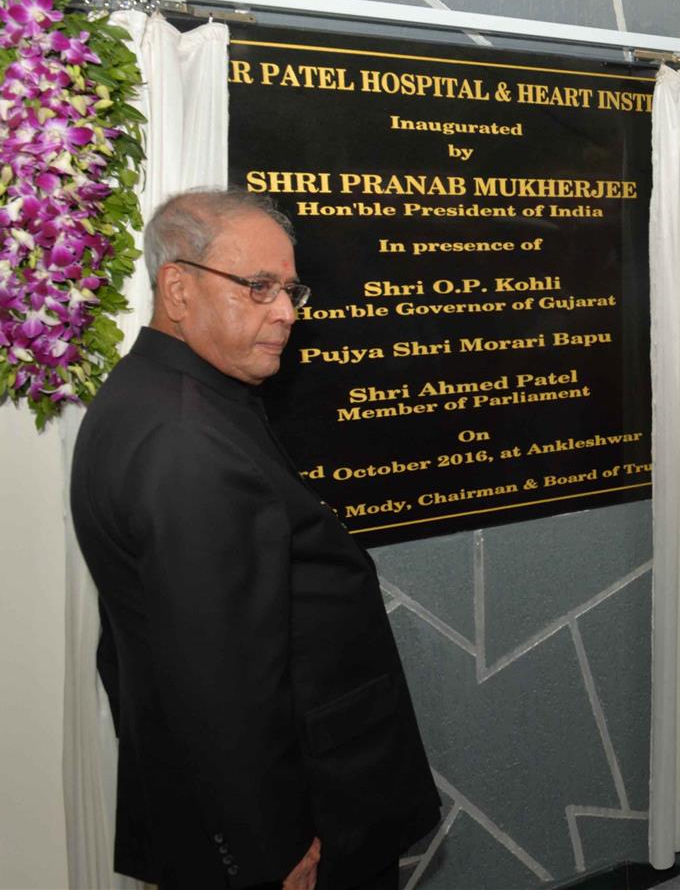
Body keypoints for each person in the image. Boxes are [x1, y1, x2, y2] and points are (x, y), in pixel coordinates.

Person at [70, 189, 441, 890]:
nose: (287, 312)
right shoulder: (185, 445)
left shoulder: (164, 393)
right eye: (259, 287)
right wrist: (270, 845)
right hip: (291, 824)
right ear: (178, 289)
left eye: (291, 288)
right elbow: (219, 677)